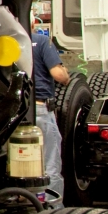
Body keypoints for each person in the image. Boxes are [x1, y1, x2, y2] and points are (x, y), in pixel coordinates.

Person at [31, 18, 70, 199]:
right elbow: (58, 75)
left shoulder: (6, 43)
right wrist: (65, 72)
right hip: (40, 109)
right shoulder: (41, 41)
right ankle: (53, 207)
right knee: (50, 164)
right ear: (33, 23)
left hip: (16, 113)